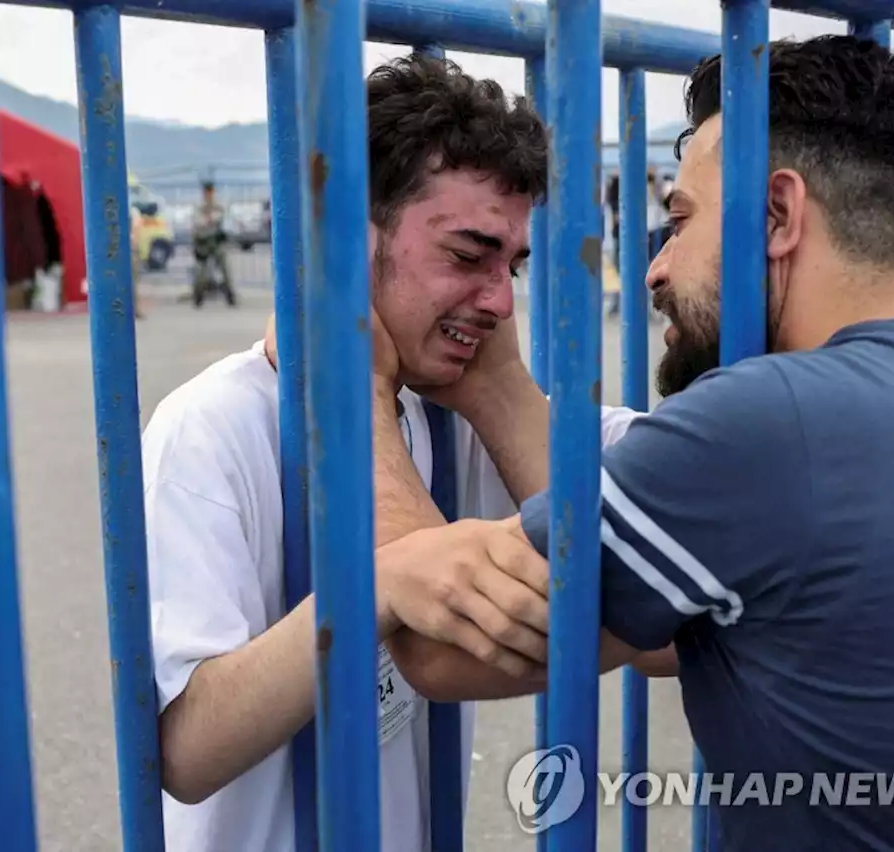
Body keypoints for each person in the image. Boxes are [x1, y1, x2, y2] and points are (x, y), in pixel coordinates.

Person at [377, 35, 894, 850]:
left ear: (778, 216)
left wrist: (350, 382)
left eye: (681, 222)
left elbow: (436, 645)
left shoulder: (767, 423)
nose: (656, 268)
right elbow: (653, 617)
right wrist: (499, 388)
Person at [139, 54, 651, 852]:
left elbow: (650, 564)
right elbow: (185, 750)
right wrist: (370, 592)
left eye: (510, 264)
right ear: (347, 242)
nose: (499, 300)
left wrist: (502, 388)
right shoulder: (214, 425)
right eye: (467, 254)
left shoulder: (447, 413)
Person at [190, 180, 236, 306]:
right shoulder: (199, 206)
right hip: (203, 243)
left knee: (224, 269)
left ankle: (230, 296)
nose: (209, 195)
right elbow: (197, 223)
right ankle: (198, 296)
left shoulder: (218, 205)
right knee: (201, 272)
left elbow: (224, 219)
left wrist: (213, 219)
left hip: (216, 241)